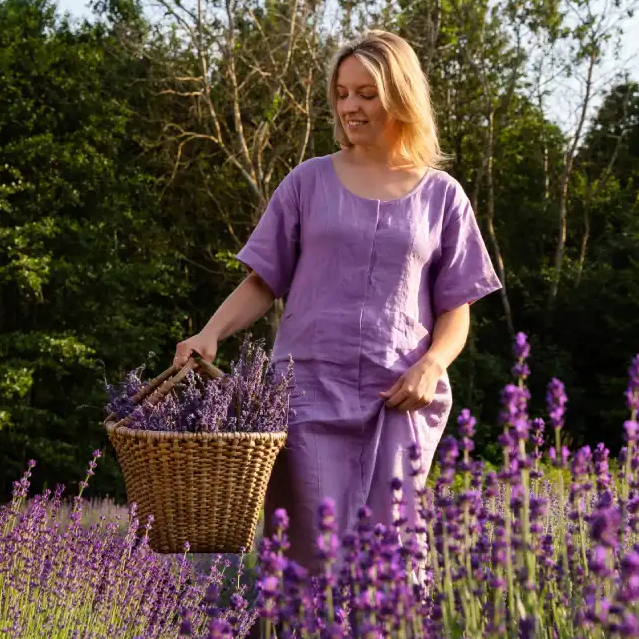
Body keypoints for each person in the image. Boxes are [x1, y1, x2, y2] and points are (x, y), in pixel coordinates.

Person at [172, 29, 502, 573]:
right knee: (309, 561)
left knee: (392, 561)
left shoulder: (443, 195)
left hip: (399, 399)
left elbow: (456, 307)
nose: (351, 106)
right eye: (342, 93)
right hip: (307, 395)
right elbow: (262, 281)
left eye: (367, 94)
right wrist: (210, 333)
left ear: (401, 96)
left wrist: (432, 365)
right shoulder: (307, 182)